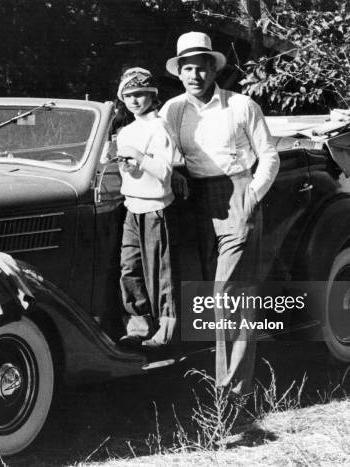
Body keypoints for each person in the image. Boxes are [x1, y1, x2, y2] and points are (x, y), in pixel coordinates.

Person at [159, 32, 280, 394]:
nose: (194, 76)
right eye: (188, 69)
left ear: (213, 70)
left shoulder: (242, 105)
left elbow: (269, 155)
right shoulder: (173, 109)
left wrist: (253, 195)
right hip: (195, 201)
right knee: (203, 294)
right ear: (179, 73)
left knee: (228, 294)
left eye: (201, 68)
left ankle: (231, 393)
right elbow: (161, 150)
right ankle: (212, 380)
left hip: (238, 195)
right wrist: (177, 174)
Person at [115, 67, 181, 348]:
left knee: (160, 274)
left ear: (153, 96)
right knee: (130, 268)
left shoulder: (159, 127)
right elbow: (128, 173)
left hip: (156, 208)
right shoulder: (125, 131)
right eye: (128, 95)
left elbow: (164, 172)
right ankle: (139, 325)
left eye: (140, 94)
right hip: (132, 208)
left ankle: (166, 330)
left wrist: (140, 158)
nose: (133, 100)